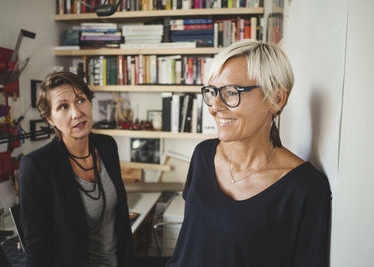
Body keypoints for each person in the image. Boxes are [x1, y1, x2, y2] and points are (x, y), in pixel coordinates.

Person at [166, 40, 331, 267]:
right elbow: (190, 243)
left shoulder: (304, 187)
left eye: (231, 92)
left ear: (276, 99)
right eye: (212, 92)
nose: (215, 106)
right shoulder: (203, 154)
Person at [18, 72, 135, 267]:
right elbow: (37, 246)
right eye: (63, 106)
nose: (76, 113)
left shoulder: (106, 146)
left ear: (90, 102)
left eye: (80, 100)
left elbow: (121, 219)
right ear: (50, 119)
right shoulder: (36, 166)